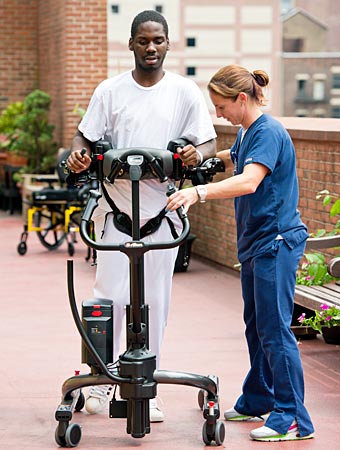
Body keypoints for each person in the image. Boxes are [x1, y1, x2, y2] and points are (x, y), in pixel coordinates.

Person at [66, 10, 216, 422]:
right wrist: (80, 154)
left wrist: (193, 154)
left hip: (160, 215)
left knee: (154, 302)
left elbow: (207, 143)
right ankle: (99, 380)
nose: (151, 48)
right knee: (108, 298)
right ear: (130, 44)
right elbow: (85, 136)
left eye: (159, 41)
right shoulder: (110, 91)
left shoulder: (184, 92)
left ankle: (148, 386)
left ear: (168, 44)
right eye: (144, 41)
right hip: (116, 213)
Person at [167, 64, 315, 442]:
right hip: (256, 243)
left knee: (275, 329)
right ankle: (259, 396)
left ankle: (293, 417)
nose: (218, 113)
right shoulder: (248, 130)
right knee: (256, 327)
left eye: (221, 106)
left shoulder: (269, 131)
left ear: (242, 98)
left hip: (276, 243)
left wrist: (197, 192)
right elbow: (235, 155)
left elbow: (249, 181)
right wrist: (200, 158)